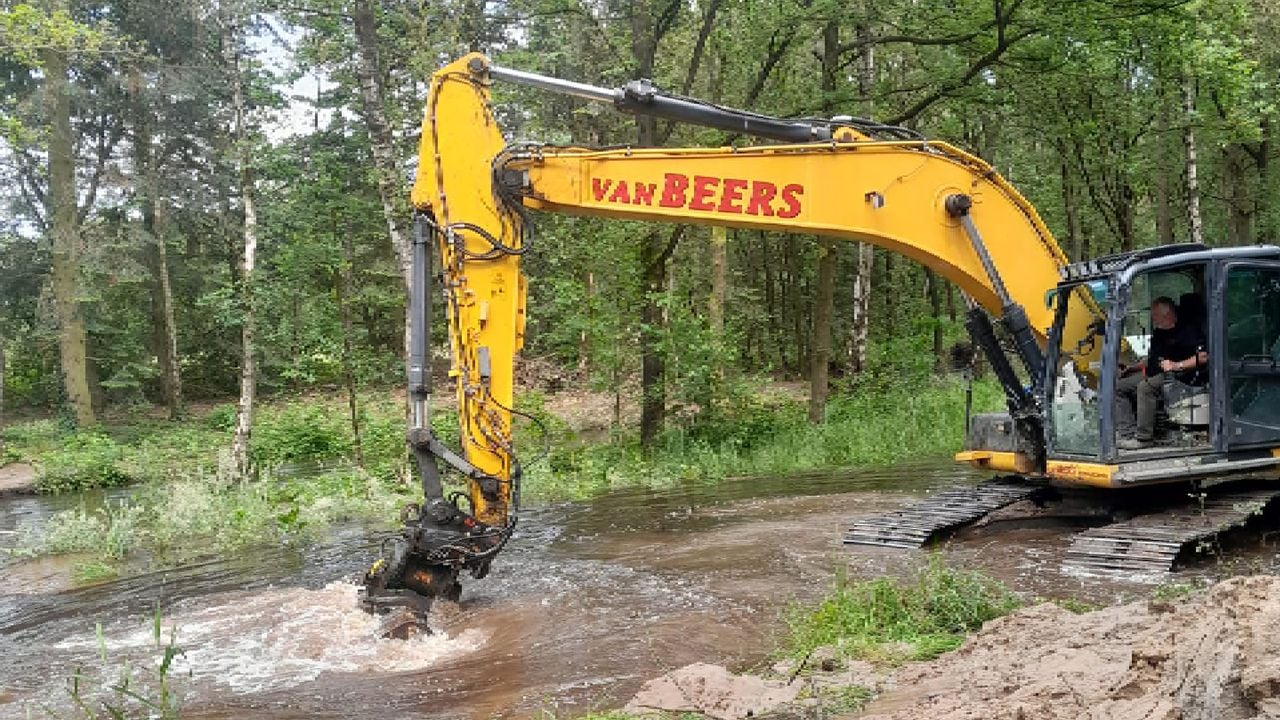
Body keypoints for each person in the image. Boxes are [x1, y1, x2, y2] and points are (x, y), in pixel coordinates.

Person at [1115, 296, 1207, 449]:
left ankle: (1144, 438)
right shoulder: (1159, 333)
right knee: (1119, 387)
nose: (1153, 319)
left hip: (1180, 375)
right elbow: (1154, 359)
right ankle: (1127, 433)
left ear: (1168, 314)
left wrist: (1177, 365)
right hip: (1155, 372)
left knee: (1145, 388)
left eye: (1155, 315)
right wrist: (1133, 368)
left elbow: (1203, 357)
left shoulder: (1188, 331)